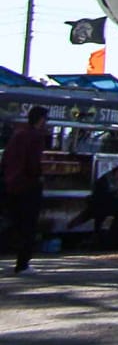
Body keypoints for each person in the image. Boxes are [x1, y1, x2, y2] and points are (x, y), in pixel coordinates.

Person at [3, 105, 51, 274]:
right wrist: (39, 176)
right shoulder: (36, 137)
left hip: (11, 184)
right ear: (41, 119)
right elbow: (33, 163)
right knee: (28, 225)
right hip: (28, 185)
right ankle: (23, 263)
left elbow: (6, 158)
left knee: (13, 223)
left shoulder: (18, 134)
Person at [86, 163, 118, 241]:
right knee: (99, 223)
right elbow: (101, 194)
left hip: (112, 206)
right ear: (117, 172)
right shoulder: (104, 180)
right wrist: (115, 193)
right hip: (100, 206)